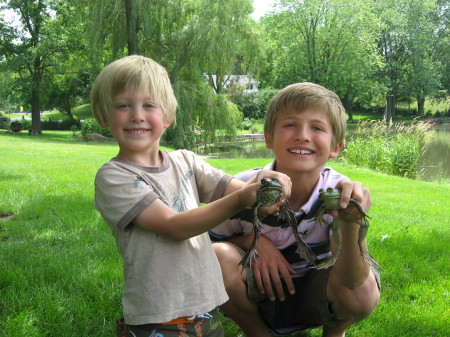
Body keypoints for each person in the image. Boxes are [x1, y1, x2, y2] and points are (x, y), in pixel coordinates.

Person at [91, 55, 293, 337]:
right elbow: (175, 227)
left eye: (149, 105)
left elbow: (231, 188)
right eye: (123, 106)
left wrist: (263, 182)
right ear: (103, 116)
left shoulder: (186, 161)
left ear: (168, 117)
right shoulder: (114, 177)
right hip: (158, 312)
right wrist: (241, 199)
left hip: (205, 304)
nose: (137, 115)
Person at [210, 82, 381, 337]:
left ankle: (335, 332)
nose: (303, 135)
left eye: (317, 127)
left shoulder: (340, 194)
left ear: (336, 147)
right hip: (259, 297)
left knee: (364, 288)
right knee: (217, 256)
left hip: (318, 293)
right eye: (290, 124)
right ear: (269, 138)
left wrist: (350, 222)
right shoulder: (243, 188)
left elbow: (352, 281)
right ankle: (258, 333)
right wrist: (252, 242)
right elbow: (202, 251)